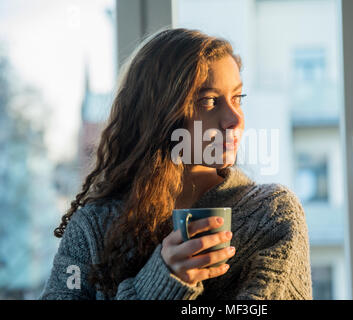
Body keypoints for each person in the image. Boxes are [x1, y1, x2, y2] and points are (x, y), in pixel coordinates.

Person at [38, 28, 312, 300]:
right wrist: (160, 284)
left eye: (237, 98)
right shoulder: (92, 227)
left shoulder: (272, 214)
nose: (235, 119)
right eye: (209, 101)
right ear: (158, 115)